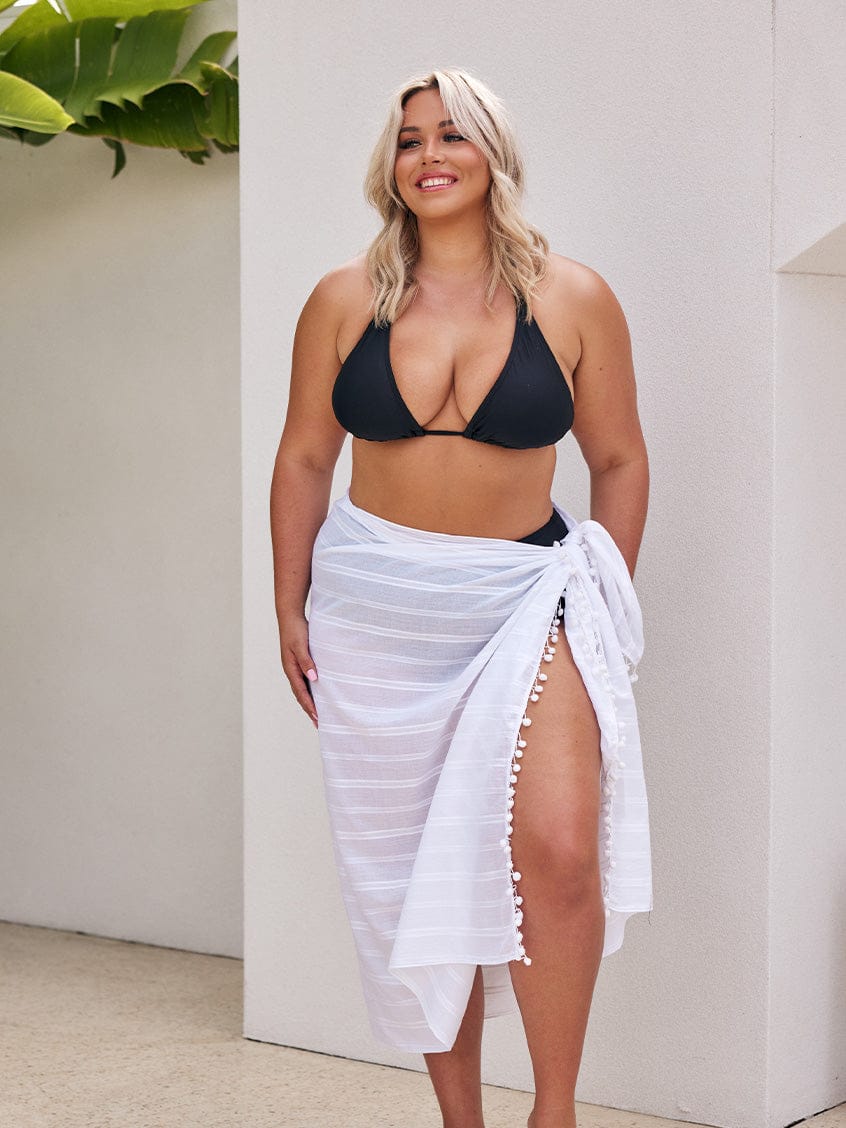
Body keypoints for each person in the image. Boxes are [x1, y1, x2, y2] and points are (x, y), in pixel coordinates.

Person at [270, 67, 653, 1128]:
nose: (429, 155)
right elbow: (305, 458)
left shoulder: (572, 298)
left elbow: (619, 460)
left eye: (453, 135)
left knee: (561, 851)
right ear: (389, 167)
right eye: (409, 140)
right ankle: (461, 1120)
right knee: (410, 874)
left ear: (494, 154)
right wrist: (289, 606)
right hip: (377, 610)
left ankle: (557, 1110)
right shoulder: (345, 300)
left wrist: (601, 599)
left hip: (528, 599)